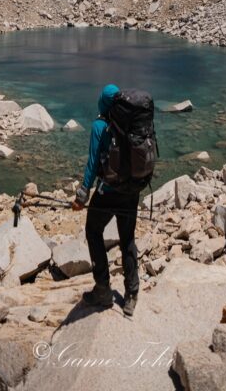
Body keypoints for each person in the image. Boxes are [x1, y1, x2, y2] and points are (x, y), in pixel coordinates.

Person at [72, 83, 140, 318]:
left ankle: (102, 288)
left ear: (103, 102)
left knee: (93, 231)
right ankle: (132, 294)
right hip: (131, 191)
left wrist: (82, 195)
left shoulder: (100, 126)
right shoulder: (134, 123)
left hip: (108, 191)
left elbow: (92, 166)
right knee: (127, 238)